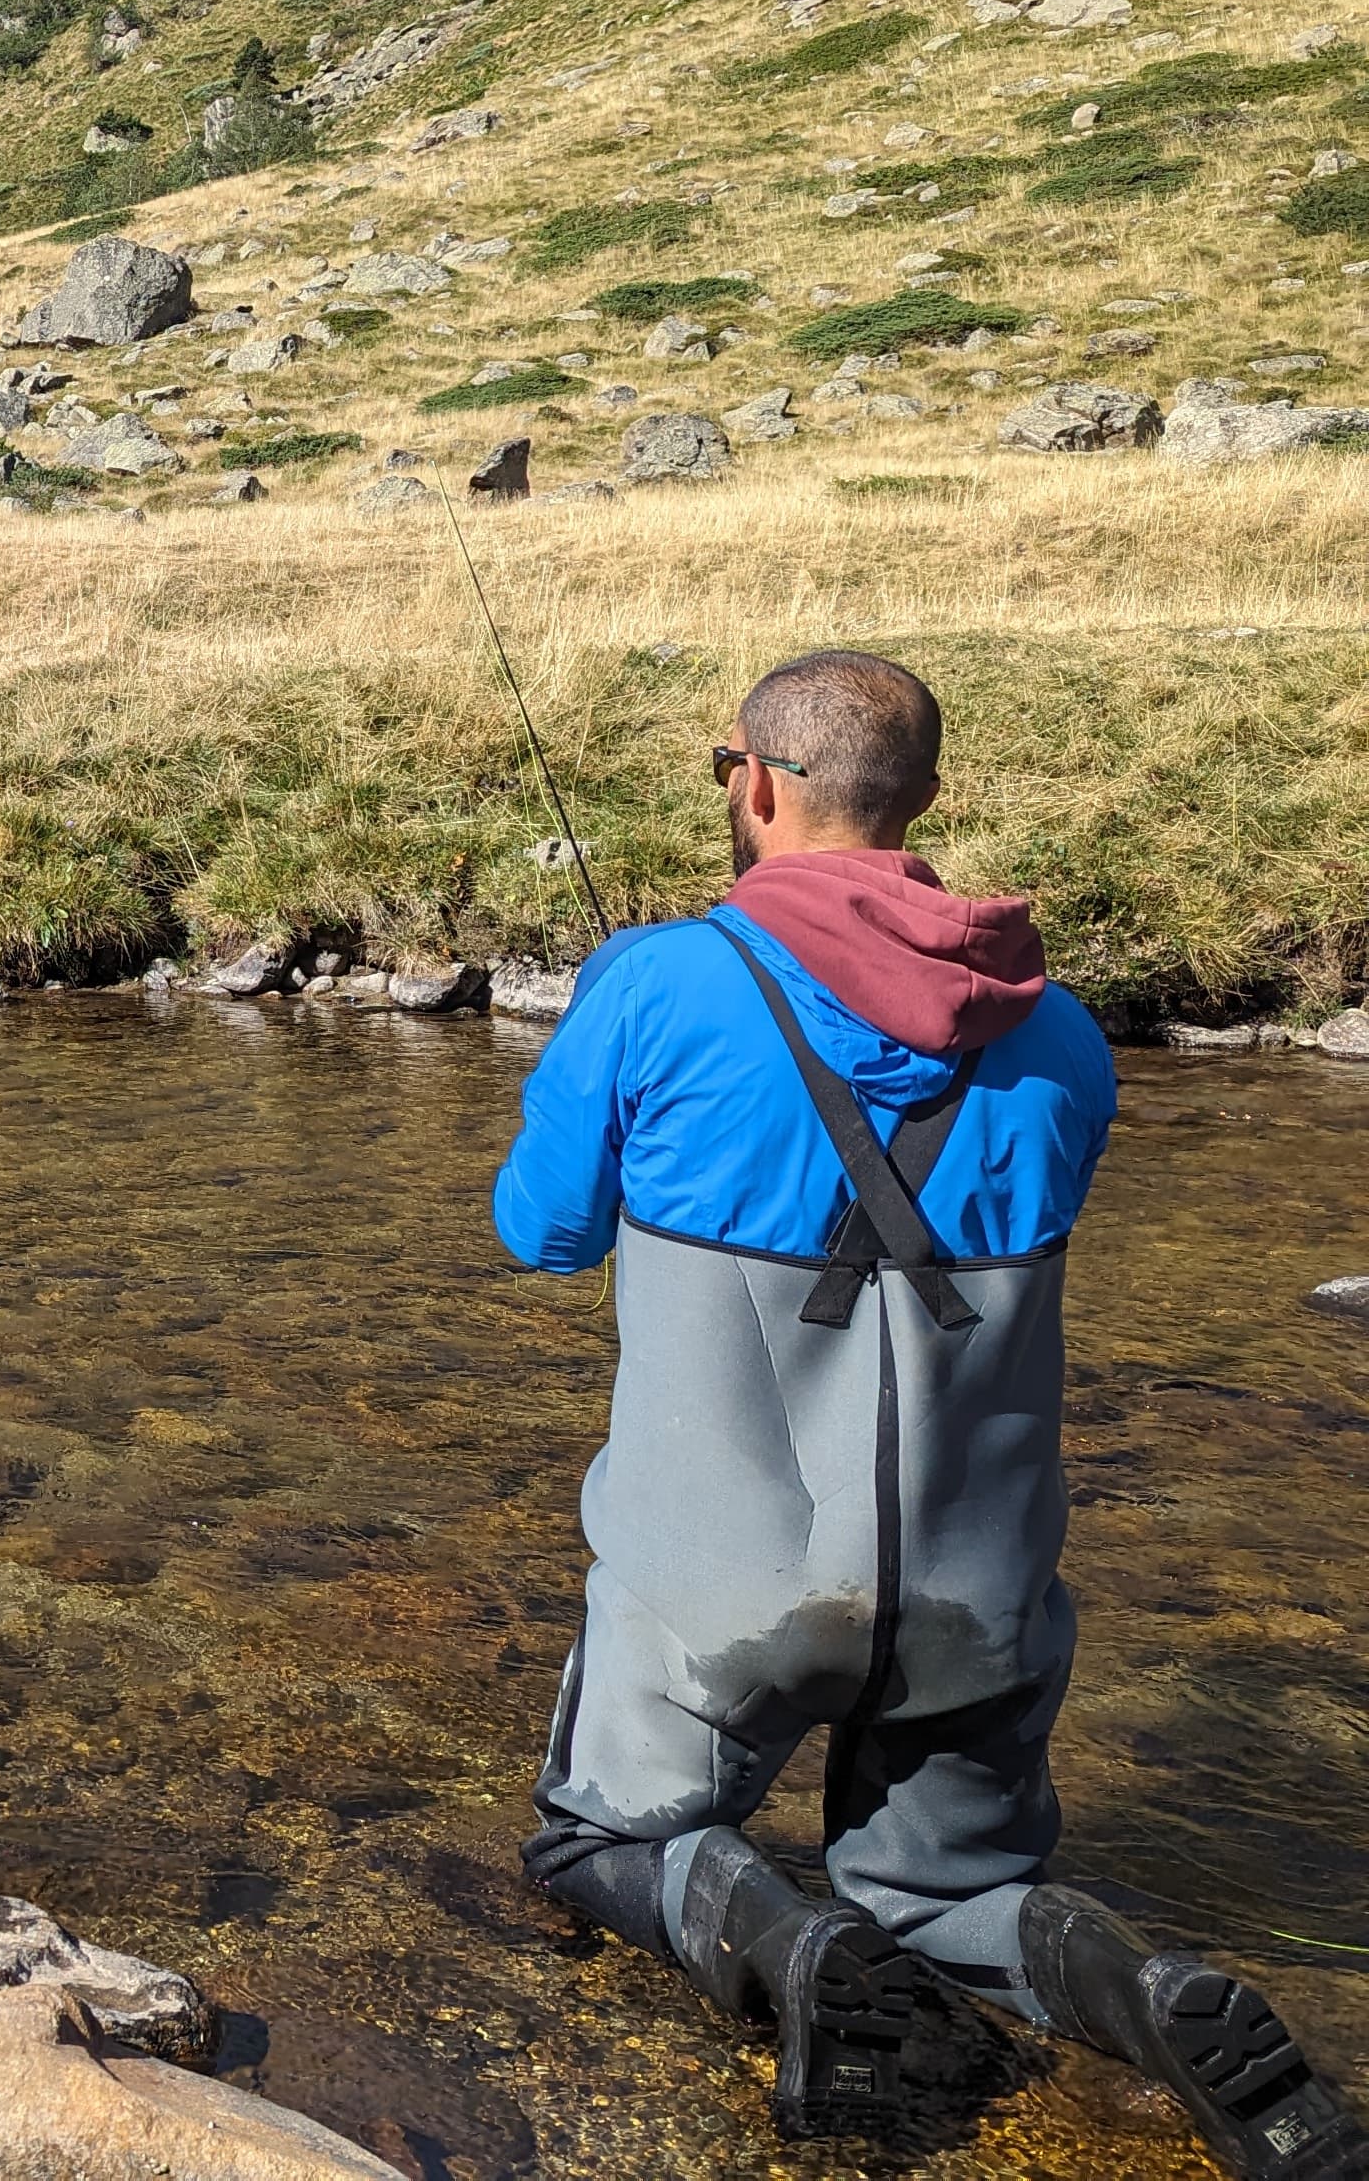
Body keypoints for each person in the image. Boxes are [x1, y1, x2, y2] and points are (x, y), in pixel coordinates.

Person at [493, 649, 1357, 2171]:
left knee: (601, 1841)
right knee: (950, 1897)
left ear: (754, 786)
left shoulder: (658, 980)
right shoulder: (1064, 1036)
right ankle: (1145, 2002)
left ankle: (777, 1933)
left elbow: (541, 1231)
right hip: (978, 1584)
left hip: (723, 1587)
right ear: (926, 803)